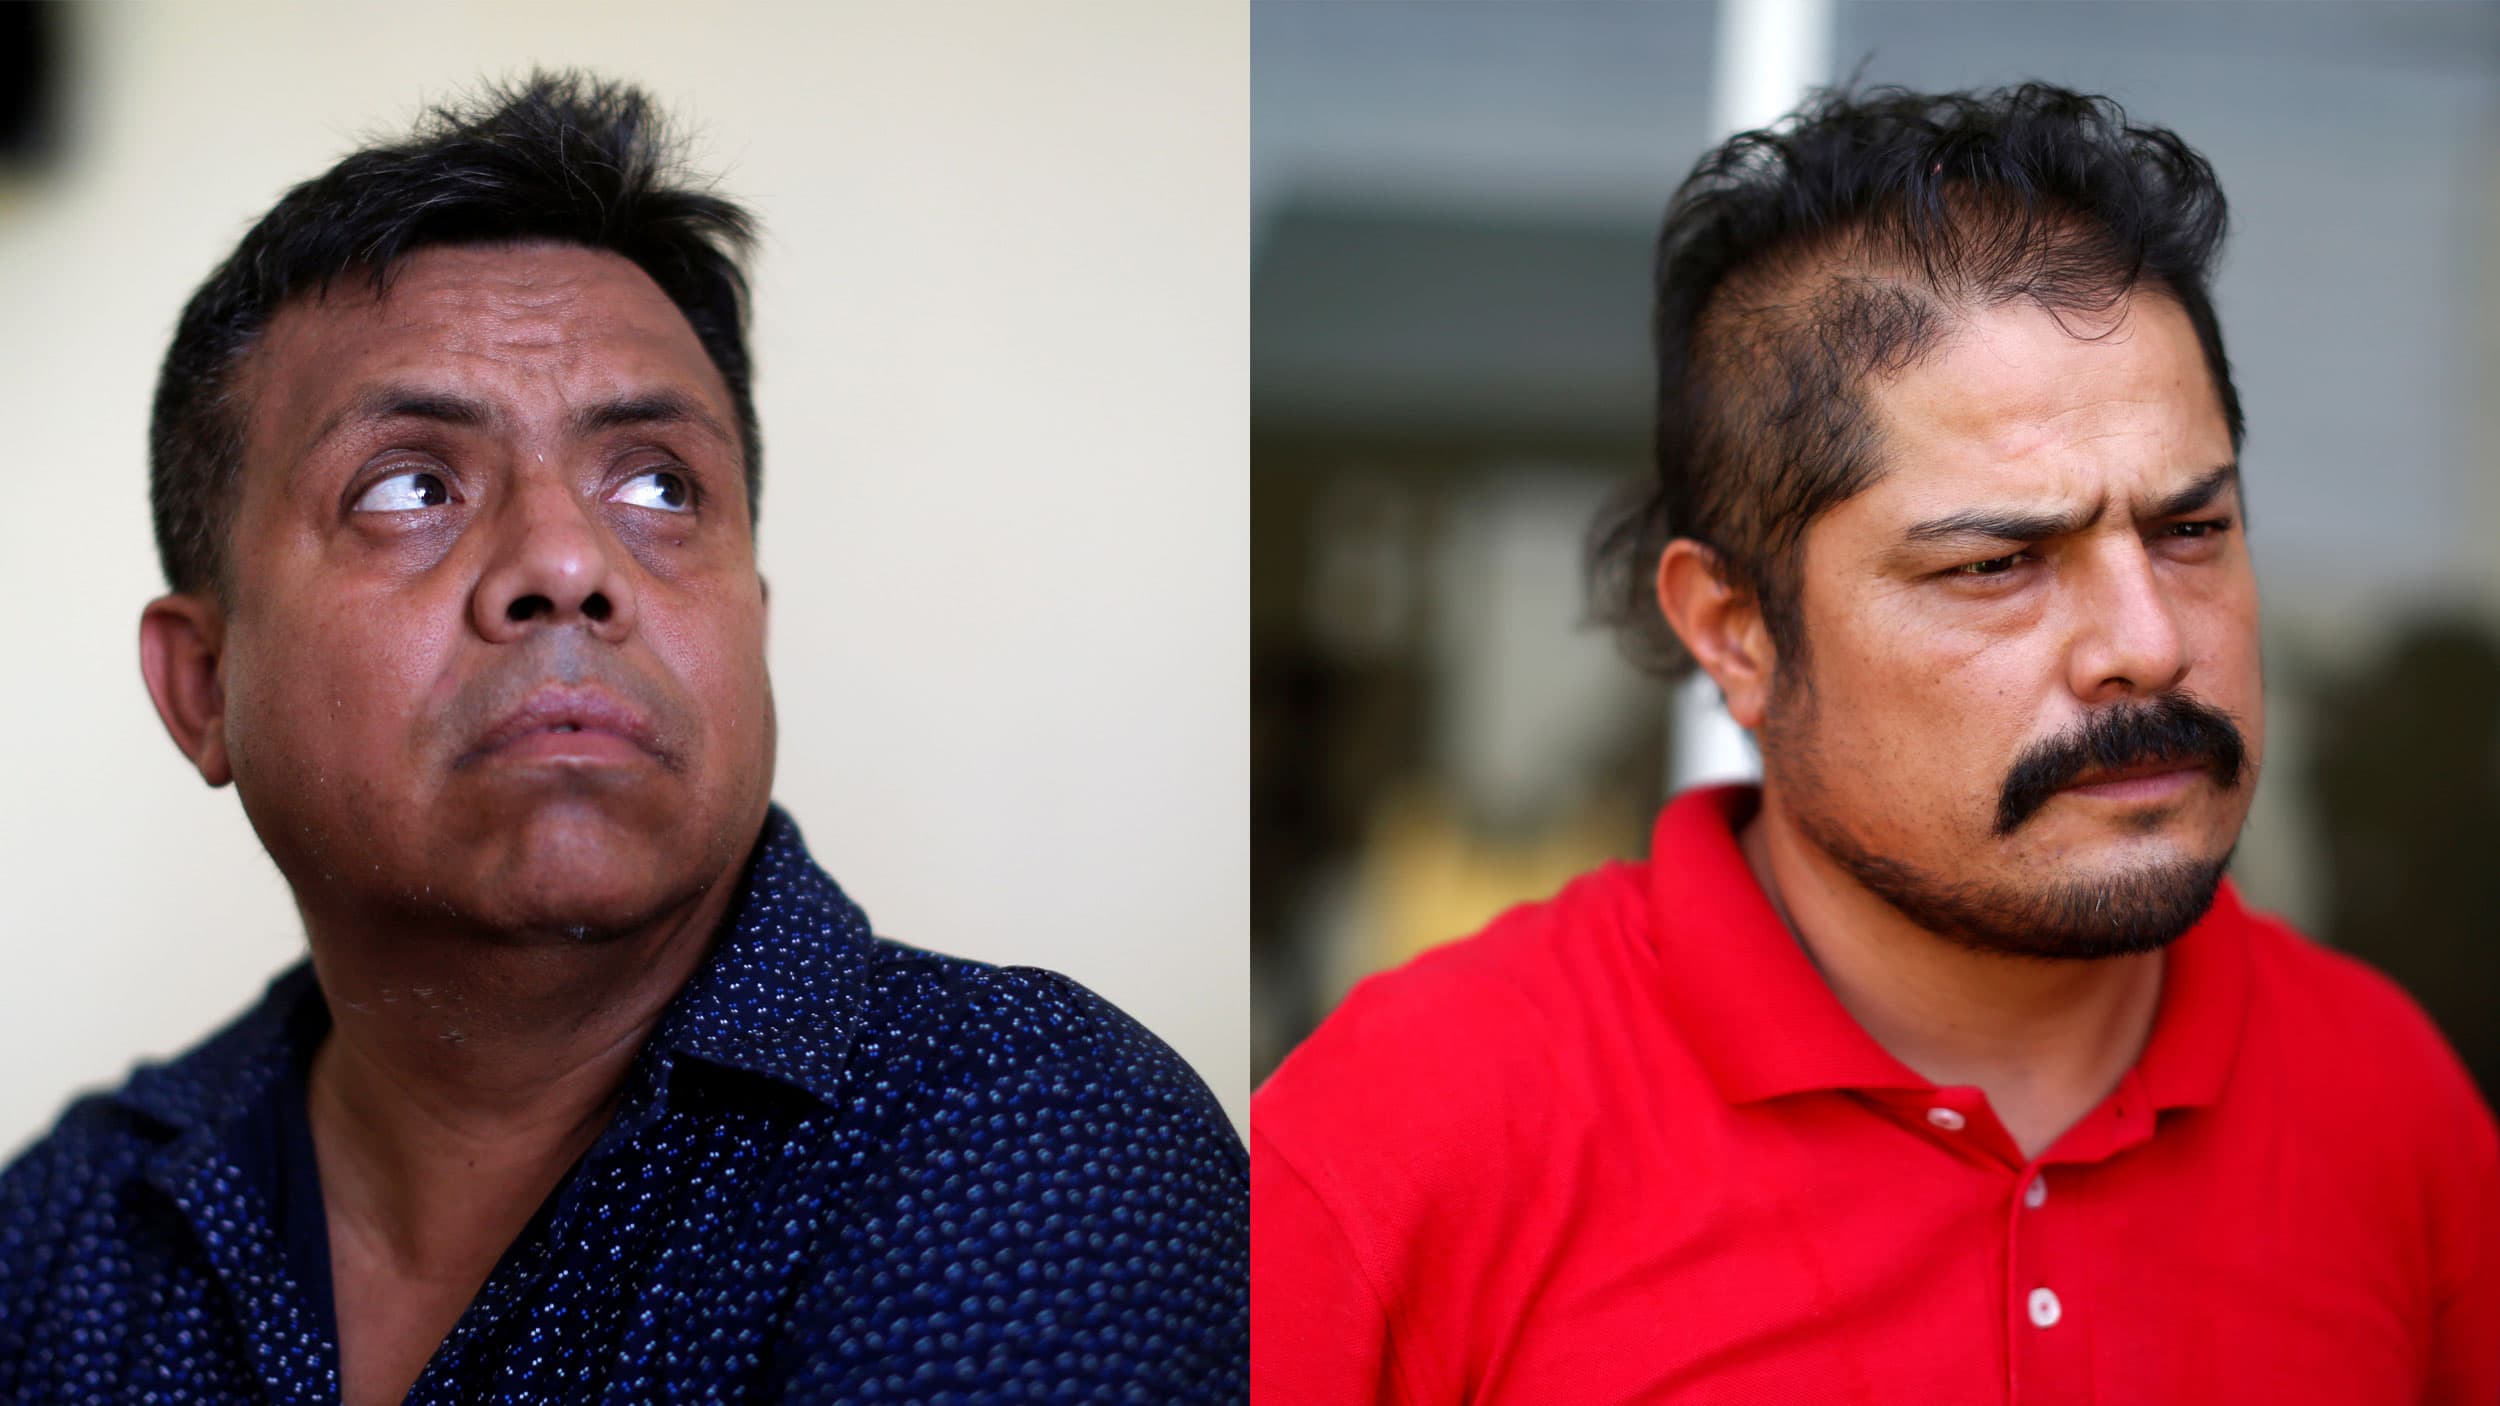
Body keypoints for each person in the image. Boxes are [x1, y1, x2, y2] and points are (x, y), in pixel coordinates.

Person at [0, 72, 1245, 1405]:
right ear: (200, 684)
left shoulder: (1031, 1131)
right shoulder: (63, 1234)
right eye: (411, 486)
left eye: (659, 484)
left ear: (750, 623)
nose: (564, 562)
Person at [1251, 83, 2498, 1403]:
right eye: (2001, 562)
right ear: (1737, 634)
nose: (2150, 640)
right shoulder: (1405, 1139)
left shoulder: (2386, 1100)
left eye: (2192, 529)